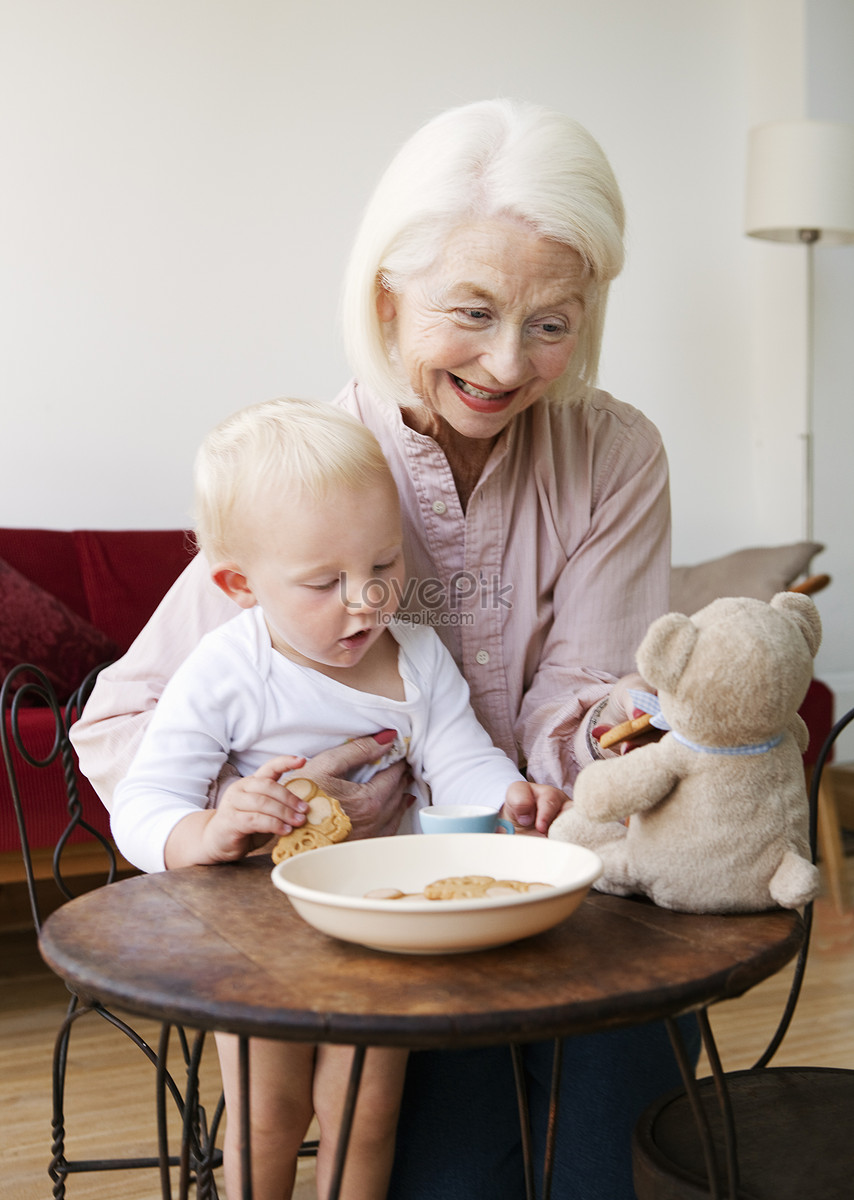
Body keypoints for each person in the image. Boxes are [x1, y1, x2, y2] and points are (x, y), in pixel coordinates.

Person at [72, 97, 698, 1199]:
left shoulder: (614, 454)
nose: (507, 364)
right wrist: (272, 801)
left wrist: (593, 762)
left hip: (564, 898)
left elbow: (585, 693)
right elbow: (125, 722)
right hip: (380, 937)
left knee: (610, 1151)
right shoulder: (309, 474)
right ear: (385, 296)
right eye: (471, 312)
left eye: (551, 322)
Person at [111, 396, 568, 1200]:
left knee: (363, 1114)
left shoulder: (416, 657)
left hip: (379, 924)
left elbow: (462, 759)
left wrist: (510, 798)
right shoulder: (228, 669)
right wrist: (210, 831)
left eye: (384, 566)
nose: (365, 600)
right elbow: (142, 803)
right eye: (325, 582)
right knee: (267, 1115)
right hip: (257, 938)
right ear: (238, 584)